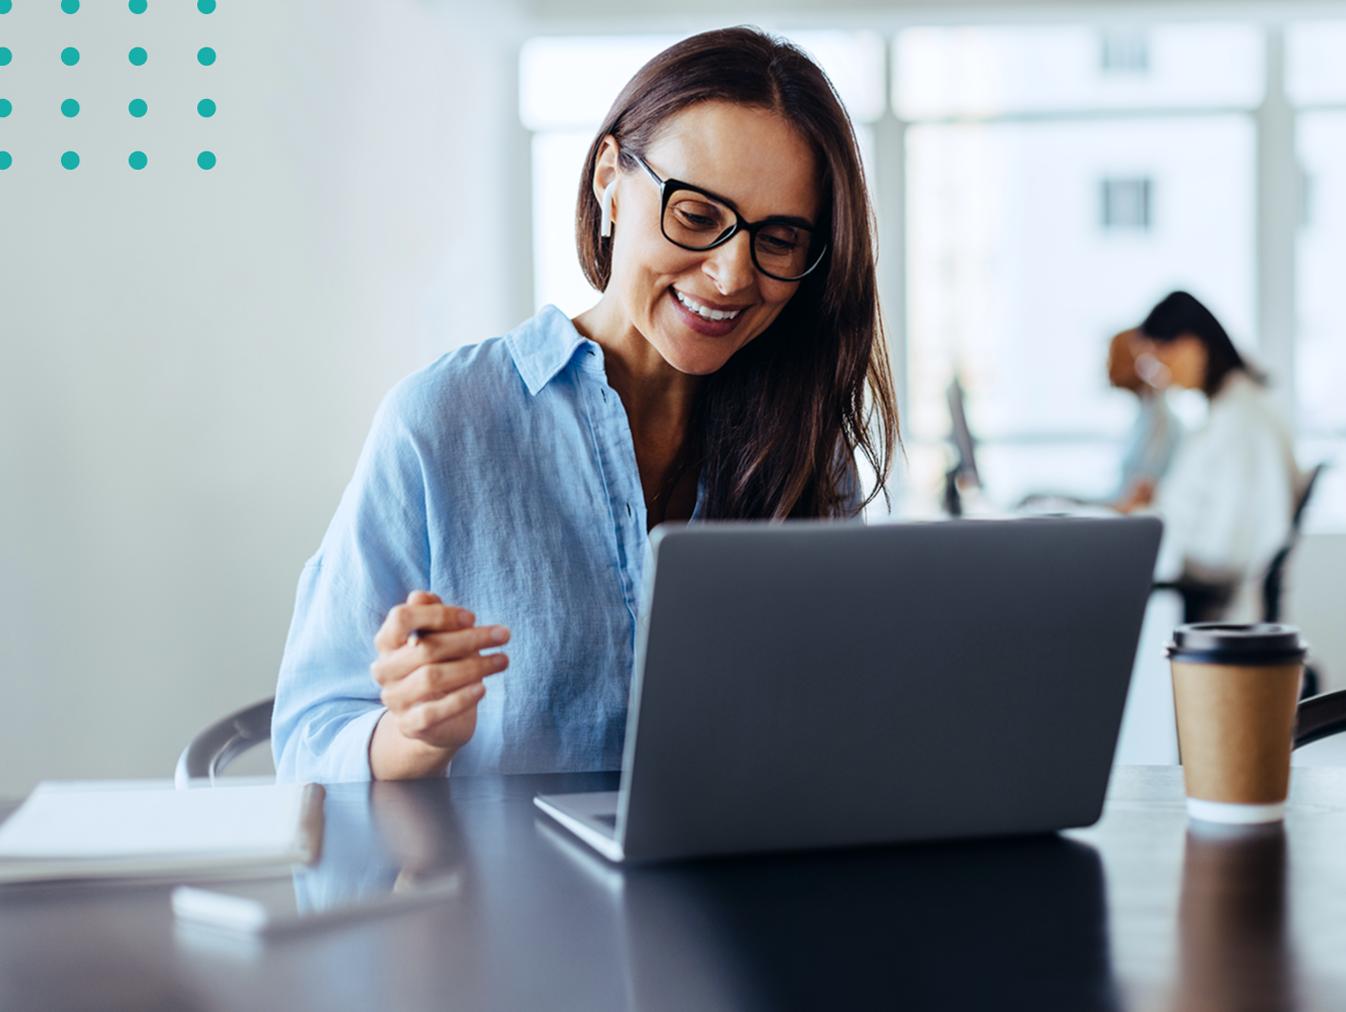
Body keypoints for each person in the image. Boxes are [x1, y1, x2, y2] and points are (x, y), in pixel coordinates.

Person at [272, 27, 900, 783]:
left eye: (779, 239)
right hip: (506, 898)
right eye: (697, 217)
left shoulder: (802, 439)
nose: (733, 276)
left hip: (744, 892)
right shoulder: (443, 422)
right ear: (610, 178)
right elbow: (308, 739)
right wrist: (415, 736)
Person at [1123, 291, 1299, 621]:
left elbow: (1223, 549)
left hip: (1222, 612)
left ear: (1192, 345)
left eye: (1160, 358)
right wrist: (1154, 505)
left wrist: (1146, 521)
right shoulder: (1229, 411)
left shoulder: (1242, 422)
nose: (1161, 374)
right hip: (1207, 598)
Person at [1108, 327, 1182, 512]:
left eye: (1113, 357)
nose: (1107, 366)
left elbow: (1137, 500)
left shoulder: (1159, 422)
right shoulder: (1145, 415)